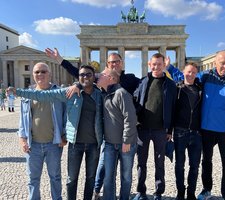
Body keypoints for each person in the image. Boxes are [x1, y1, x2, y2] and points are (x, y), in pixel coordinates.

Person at [45, 48, 140, 198]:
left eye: (116, 61)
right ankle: (98, 191)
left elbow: (146, 92)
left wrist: (138, 116)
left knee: (125, 175)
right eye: (110, 62)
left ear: (121, 63)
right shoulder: (101, 81)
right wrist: (72, 77)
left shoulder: (130, 79)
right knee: (105, 170)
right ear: (107, 64)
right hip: (108, 138)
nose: (113, 64)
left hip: (125, 137)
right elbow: (83, 76)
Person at [16, 65, 104, 200]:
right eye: (82, 75)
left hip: (90, 143)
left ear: (94, 76)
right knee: (70, 178)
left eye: (88, 74)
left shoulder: (99, 95)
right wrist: (18, 92)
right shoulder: (70, 92)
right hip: (74, 143)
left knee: (88, 177)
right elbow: (42, 97)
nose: (85, 77)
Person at [167, 51, 225, 200]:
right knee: (206, 161)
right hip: (205, 129)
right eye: (222, 63)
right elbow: (187, 77)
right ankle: (206, 189)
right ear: (215, 62)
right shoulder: (206, 76)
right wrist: (170, 68)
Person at [17, 62, 66, 199]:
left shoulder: (58, 93)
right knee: (33, 179)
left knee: (55, 177)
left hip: (53, 144)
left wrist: (65, 136)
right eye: (37, 72)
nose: (40, 74)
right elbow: (22, 118)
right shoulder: (28, 94)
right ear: (33, 75)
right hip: (33, 145)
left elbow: (66, 115)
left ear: (49, 74)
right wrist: (22, 139)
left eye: (43, 71)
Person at [133, 53, 177, 200]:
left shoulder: (171, 85)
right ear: (149, 65)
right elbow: (134, 101)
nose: (157, 66)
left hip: (160, 130)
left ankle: (158, 192)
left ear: (164, 65)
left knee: (159, 163)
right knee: (141, 163)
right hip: (143, 129)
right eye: (154, 64)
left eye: (159, 64)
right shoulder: (142, 82)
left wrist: (170, 130)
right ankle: (141, 191)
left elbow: (173, 108)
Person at [97, 69, 138, 200]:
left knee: (126, 176)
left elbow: (130, 118)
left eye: (101, 74)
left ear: (110, 78)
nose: (98, 76)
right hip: (109, 143)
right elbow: (83, 80)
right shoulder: (103, 93)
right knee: (108, 176)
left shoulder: (121, 93)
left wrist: (126, 140)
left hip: (126, 144)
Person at [172, 62, 202, 200]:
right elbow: (171, 110)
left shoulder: (201, 89)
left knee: (194, 166)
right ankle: (180, 192)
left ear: (197, 74)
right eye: (189, 72)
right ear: (183, 72)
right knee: (179, 165)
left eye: (194, 72)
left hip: (196, 132)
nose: (191, 75)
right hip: (180, 131)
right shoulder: (177, 88)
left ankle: (191, 193)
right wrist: (169, 130)